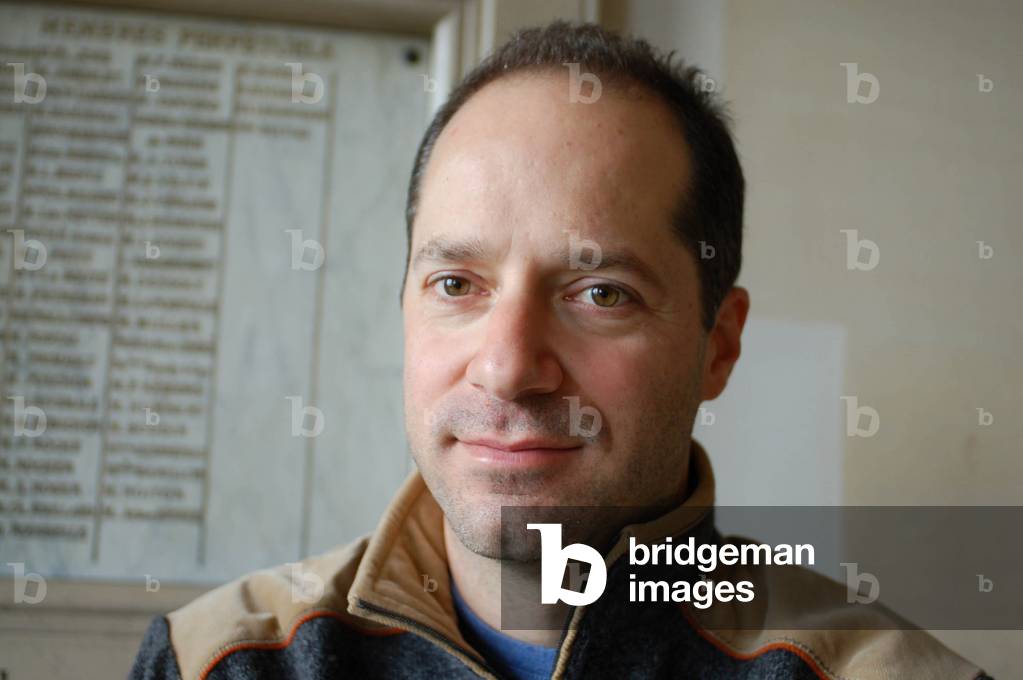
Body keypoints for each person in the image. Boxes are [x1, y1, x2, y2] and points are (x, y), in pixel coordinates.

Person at [129, 21, 992, 680]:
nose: (506, 366)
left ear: (717, 346)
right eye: (457, 285)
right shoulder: (219, 663)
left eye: (600, 294)